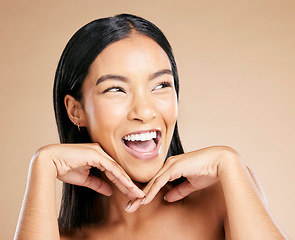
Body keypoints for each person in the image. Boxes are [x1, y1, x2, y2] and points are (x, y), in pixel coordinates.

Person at [14, 13, 287, 240]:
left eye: (161, 85)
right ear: (77, 111)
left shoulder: (225, 194)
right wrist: (43, 164)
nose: (144, 111)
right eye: (116, 89)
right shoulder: (55, 234)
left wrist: (230, 163)